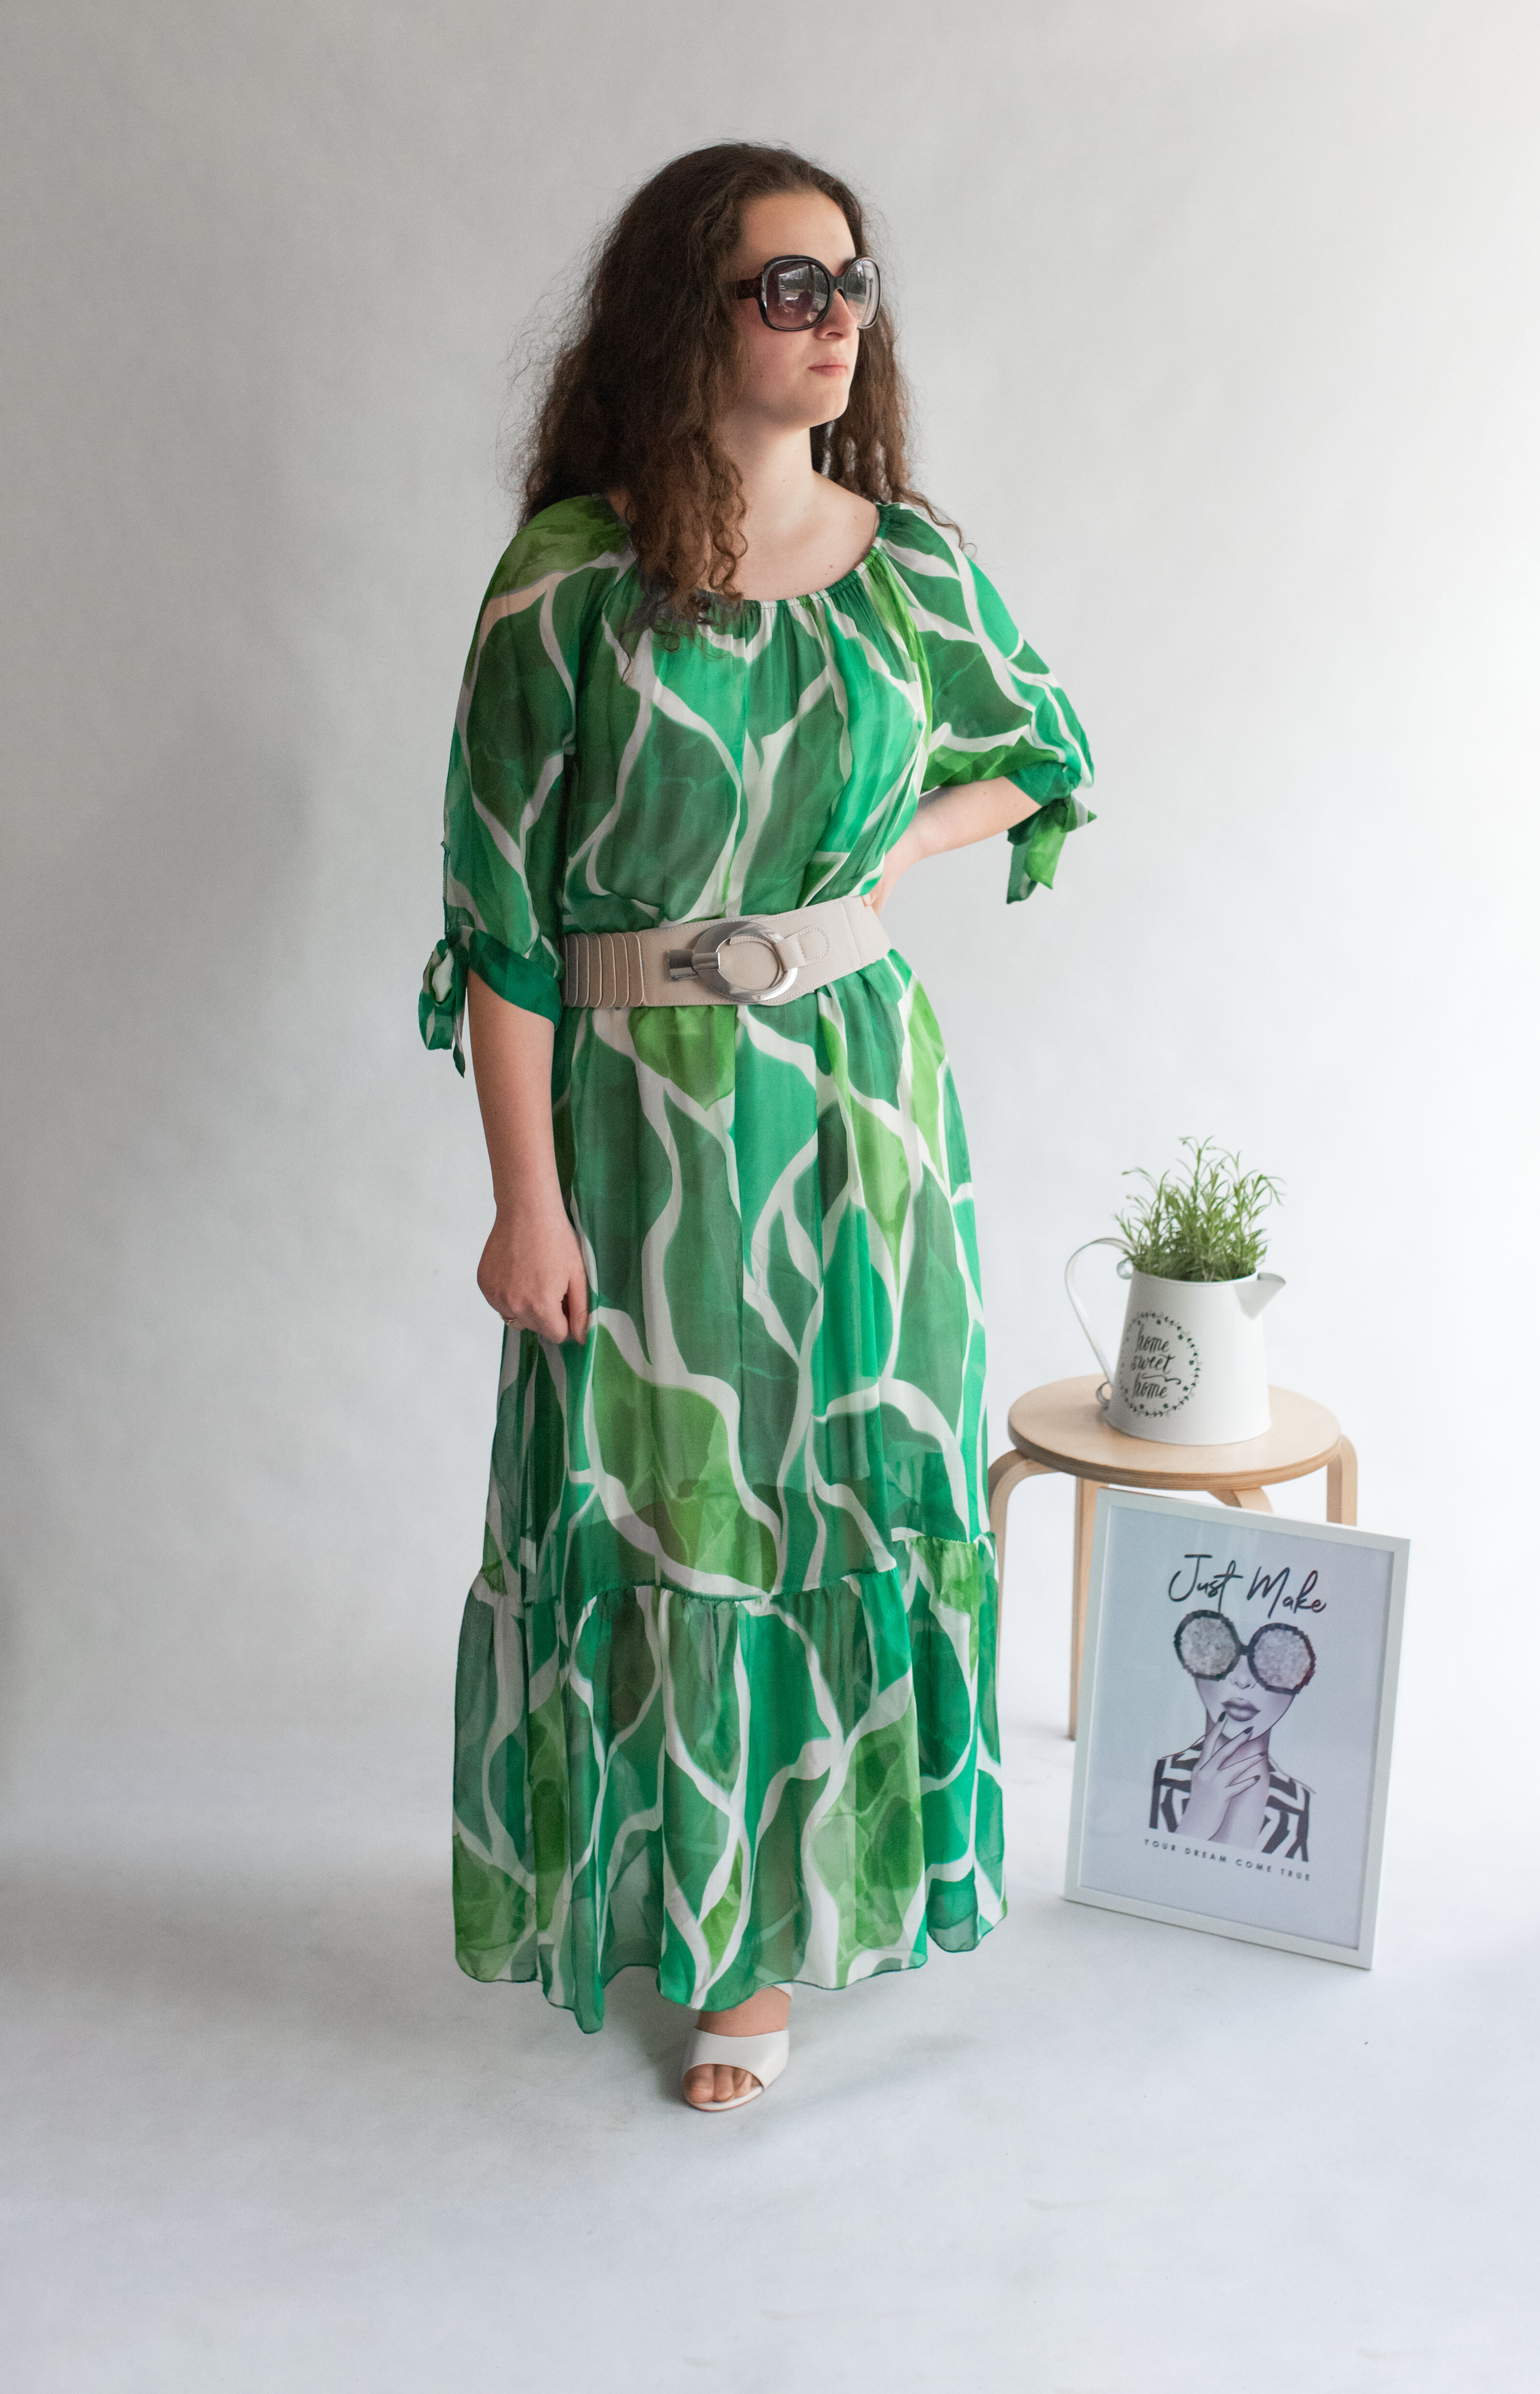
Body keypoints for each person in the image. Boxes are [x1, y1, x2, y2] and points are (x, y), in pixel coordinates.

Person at [419, 142, 1094, 2111]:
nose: (836, 319)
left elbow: (1044, 754)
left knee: (842, 1506)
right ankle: (711, 1923)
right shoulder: (567, 581)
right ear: (681, 314)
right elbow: (499, 928)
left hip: (858, 1126)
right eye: (789, 285)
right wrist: (522, 1202)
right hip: (634, 1133)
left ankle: (789, 1925)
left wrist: (903, 839)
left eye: (852, 282)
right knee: (671, 1517)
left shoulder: (908, 565)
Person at [1150, 1611, 1314, 1860]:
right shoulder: (1151, 1779)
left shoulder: (1306, 1806)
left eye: (1275, 1661)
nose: (1242, 1680)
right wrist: (1195, 1824)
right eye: (1218, 1652)